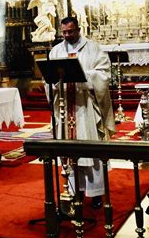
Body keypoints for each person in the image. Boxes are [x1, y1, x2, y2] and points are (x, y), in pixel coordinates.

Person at [49, 16, 115, 208]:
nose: (67, 35)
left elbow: (104, 74)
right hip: (65, 106)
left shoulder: (93, 48)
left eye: (71, 31)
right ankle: (72, 190)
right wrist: (53, 82)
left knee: (90, 150)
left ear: (78, 29)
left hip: (85, 107)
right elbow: (49, 79)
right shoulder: (56, 51)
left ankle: (95, 193)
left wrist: (83, 75)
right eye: (64, 32)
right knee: (68, 152)